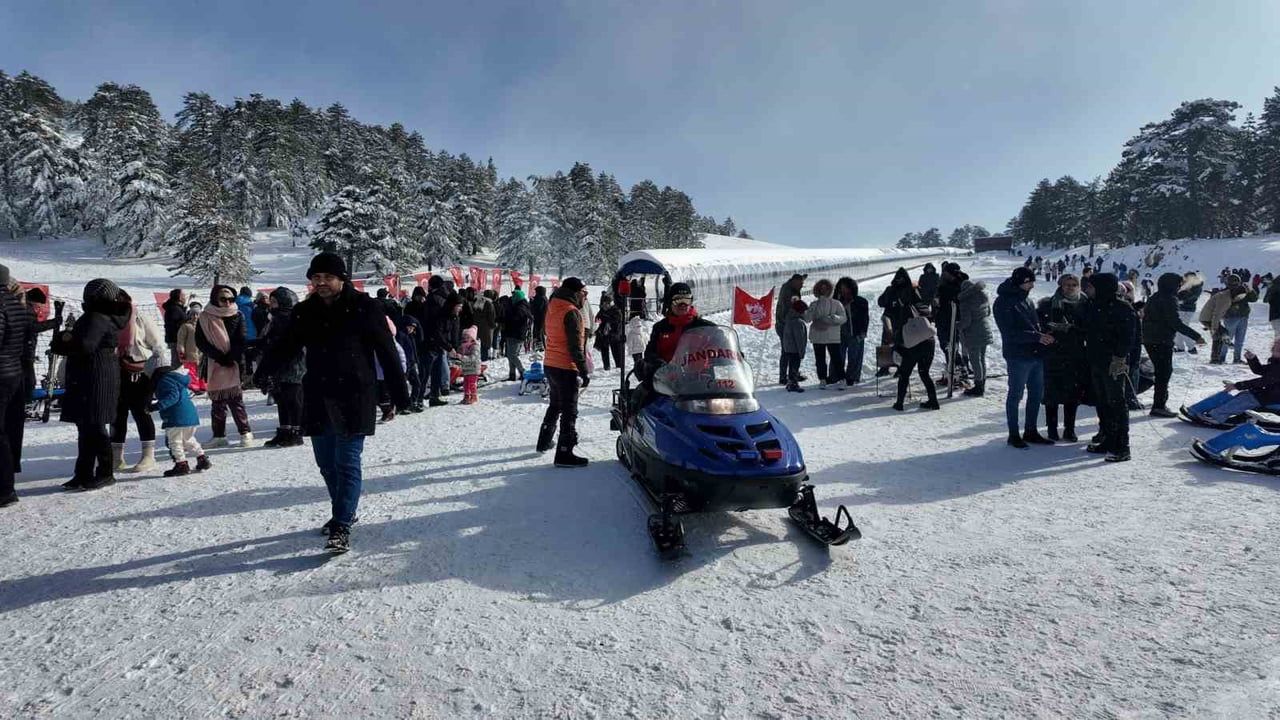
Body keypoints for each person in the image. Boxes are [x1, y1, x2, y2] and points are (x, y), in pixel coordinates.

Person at [254, 252, 409, 554]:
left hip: (355, 395)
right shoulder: (305, 311)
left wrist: (398, 395)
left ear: (342, 279)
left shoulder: (365, 307)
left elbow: (387, 351)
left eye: (327, 277)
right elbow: (286, 346)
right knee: (326, 464)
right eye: (316, 278)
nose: (321, 283)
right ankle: (344, 510)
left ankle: (341, 524)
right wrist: (263, 371)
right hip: (318, 394)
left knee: (347, 462)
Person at [51, 279, 130, 491]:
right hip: (96, 374)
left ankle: (105, 472)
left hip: (94, 376)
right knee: (86, 426)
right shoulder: (103, 315)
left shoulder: (97, 316)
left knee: (93, 426)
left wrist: (66, 339)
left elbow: (85, 345)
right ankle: (83, 472)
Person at [994, 267, 1055, 447]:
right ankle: (1013, 434)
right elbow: (1009, 332)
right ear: (1020, 282)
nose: (1032, 286)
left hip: (1035, 353)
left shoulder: (1025, 299)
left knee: (1037, 394)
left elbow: (1032, 324)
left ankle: (1031, 430)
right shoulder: (1003, 302)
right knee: (1016, 394)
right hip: (1017, 356)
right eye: (1029, 282)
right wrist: (1036, 336)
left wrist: (1045, 330)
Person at [1082, 273, 1136, 462]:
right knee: (1102, 402)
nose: (1088, 290)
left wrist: (1120, 358)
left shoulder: (1123, 308)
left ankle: (1122, 446)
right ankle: (1107, 438)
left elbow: (1128, 337)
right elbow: (1088, 329)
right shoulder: (1094, 305)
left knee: (1117, 403)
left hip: (1113, 363)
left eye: (1091, 287)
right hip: (1096, 361)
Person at [537, 277, 591, 468]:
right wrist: (584, 371)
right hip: (565, 366)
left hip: (550, 362)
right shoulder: (572, 312)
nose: (585, 298)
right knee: (569, 410)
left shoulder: (553, 304)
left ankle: (544, 440)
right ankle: (564, 452)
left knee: (555, 404)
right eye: (584, 294)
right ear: (576, 293)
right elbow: (575, 346)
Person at [111, 290, 167, 473]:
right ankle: (116, 457)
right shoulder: (107, 319)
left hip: (140, 371)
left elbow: (157, 345)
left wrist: (156, 371)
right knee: (117, 415)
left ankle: (148, 455)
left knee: (141, 412)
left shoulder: (139, 317)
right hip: (115, 370)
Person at [197, 286, 255, 448]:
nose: (227, 302)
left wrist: (231, 357)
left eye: (231, 299)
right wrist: (219, 356)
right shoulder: (205, 316)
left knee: (235, 400)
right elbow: (201, 341)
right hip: (214, 363)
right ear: (215, 298)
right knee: (217, 402)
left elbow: (241, 338)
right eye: (223, 299)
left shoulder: (238, 314)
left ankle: (245, 432)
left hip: (234, 362)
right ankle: (219, 435)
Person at [1143, 272, 1205, 418]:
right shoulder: (1169, 299)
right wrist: (1196, 336)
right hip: (1162, 340)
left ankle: (1159, 403)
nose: (1179, 287)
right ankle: (1159, 406)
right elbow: (1175, 322)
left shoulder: (1155, 297)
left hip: (1149, 338)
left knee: (1161, 372)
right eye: (1178, 285)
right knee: (1164, 373)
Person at [1036, 274, 1089, 441]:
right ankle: (1052, 428)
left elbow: (1090, 328)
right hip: (1054, 354)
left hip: (1076, 355)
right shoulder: (1048, 304)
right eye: (1067, 284)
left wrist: (1072, 329)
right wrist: (1049, 329)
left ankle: (1069, 429)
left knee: (1072, 394)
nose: (1071, 287)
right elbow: (1039, 325)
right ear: (1060, 285)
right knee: (1052, 393)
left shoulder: (1085, 304)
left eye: (1074, 284)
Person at [879, 268, 939, 411]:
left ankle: (899, 403)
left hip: (909, 341)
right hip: (927, 339)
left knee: (904, 373)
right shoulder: (917, 297)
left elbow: (881, 303)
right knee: (924, 373)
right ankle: (933, 401)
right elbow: (929, 314)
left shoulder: (897, 304)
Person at [0, 268, 34, 507]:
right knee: (7, 429)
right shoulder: (16, 303)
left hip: (1, 373)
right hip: (13, 372)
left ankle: (4, 489)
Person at [1185, 339, 1280, 424]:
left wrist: (1237, 385)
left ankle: (1216, 417)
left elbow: (1264, 381)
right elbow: (1260, 370)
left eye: (1276, 349)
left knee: (1245, 400)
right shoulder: (1276, 362)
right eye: (1273, 348)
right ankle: (1197, 410)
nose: (1272, 351)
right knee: (1241, 396)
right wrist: (1252, 359)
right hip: (1266, 394)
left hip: (1273, 397)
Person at [258, 287, 307, 447]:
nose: (271, 305)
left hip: (292, 365)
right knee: (282, 399)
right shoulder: (276, 318)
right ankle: (285, 430)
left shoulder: (288, 318)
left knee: (292, 399)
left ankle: (295, 431)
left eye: (274, 302)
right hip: (280, 364)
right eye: (271, 302)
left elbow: (286, 344)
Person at [149, 364, 211, 476]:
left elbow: (173, 397)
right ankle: (202, 458)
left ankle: (181, 464)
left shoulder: (165, 381)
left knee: (175, 442)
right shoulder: (177, 380)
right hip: (190, 416)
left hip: (176, 417)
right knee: (188, 439)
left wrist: (156, 406)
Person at [804, 279, 847, 390]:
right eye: (821, 288)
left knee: (836, 358)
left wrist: (832, 318)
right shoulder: (814, 304)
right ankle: (822, 379)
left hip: (832, 336)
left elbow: (843, 318)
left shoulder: (836, 304)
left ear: (830, 290)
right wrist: (810, 311)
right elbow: (807, 319)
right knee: (820, 359)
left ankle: (842, 379)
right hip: (818, 336)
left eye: (825, 288)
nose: (823, 290)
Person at [956, 276, 993, 397]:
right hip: (985, 329)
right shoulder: (983, 296)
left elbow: (966, 322)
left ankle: (978, 387)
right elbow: (988, 312)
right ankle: (982, 383)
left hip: (973, 333)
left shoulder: (965, 301)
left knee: (975, 360)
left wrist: (957, 325)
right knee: (981, 359)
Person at [420, 275, 453, 406]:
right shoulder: (444, 297)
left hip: (432, 338)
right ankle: (435, 395)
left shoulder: (433, 299)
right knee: (437, 369)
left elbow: (433, 322)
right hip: (441, 337)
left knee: (426, 370)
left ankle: (419, 399)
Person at [834, 277, 869, 386]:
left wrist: (863, 332)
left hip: (856, 333)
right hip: (839, 333)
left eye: (846, 288)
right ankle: (836, 376)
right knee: (838, 356)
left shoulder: (861, 302)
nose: (844, 291)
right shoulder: (836, 302)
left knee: (855, 356)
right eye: (841, 288)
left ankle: (852, 377)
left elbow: (865, 319)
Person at [775, 273, 807, 384]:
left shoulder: (791, 287)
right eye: (801, 283)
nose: (802, 286)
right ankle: (784, 377)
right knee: (787, 350)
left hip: (787, 324)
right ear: (794, 281)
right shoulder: (788, 292)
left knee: (790, 350)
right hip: (785, 325)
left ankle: (792, 374)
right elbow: (789, 309)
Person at [1221, 274, 1259, 364]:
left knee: (1230, 339)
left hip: (1236, 318)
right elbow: (1254, 298)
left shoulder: (1226, 291)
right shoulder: (1230, 291)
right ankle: (1233, 358)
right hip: (1236, 317)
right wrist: (1250, 290)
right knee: (1237, 340)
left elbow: (1254, 299)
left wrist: (1249, 290)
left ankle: (1224, 358)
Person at [1200, 283, 1233, 365]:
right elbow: (1216, 314)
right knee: (1219, 334)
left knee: (1218, 336)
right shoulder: (1224, 298)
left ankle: (1215, 358)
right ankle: (1215, 357)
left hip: (1208, 318)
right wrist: (1214, 327)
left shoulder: (1223, 296)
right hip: (1208, 319)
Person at [504, 288, 533, 381]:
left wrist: (508, 311)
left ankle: (522, 371)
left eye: (514, 296)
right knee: (510, 355)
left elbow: (515, 319)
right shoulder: (518, 305)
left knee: (512, 355)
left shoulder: (521, 307)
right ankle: (512, 374)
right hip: (512, 333)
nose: (512, 298)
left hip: (516, 334)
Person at [781, 297, 809, 392]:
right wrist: (801, 352)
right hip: (795, 349)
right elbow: (799, 339)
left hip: (788, 347)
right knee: (794, 366)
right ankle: (793, 383)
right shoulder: (798, 323)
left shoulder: (789, 319)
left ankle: (791, 381)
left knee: (792, 364)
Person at [593, 294, 627, 372]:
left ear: (610, 303)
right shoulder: (602, 310)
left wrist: (606, 319)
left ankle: (619, 366)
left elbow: (617, 320)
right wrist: (600, 320)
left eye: (607, 303)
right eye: (604, 303)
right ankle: (606, 366)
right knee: (604, 351)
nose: (605, 305)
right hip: (604, 335)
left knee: (616, 351)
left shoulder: (616, 310)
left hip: (614, 334)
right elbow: (597, 319)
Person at [1175, 272, 1204, 353]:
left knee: (1183, 328)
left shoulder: (1196, 286)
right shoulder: (1185, 285)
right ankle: (1180, 347)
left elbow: (1189, 297)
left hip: (1187, 309)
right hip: (1181, 308)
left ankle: (1191, 347)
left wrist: (1180, 299)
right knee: (1178, 328)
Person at [161, 289, 188, 367]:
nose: (185, 298)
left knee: (178, 362)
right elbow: (174, 325)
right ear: (179, 297)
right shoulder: (174, 309)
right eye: (184, 296)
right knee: (177, 364)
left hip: (177, 340)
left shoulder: (176, 308)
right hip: (177, 340)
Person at [468, 288, 496, 361]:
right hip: (486, 327)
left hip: (476, 326)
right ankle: (484, 359)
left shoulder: (478, 301)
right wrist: (493, 325)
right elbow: (491, 316)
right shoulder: (489, 304)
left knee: (477, 344)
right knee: (485, 344)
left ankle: (477, 358)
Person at [459, 326, 482, 404]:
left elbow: (473, 358)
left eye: (468, 336)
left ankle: (474, 396)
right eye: (464, 336)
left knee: (472, 383)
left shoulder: (475, 346)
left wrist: (462, 357)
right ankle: (466, 396)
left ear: (472, 338)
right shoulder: (464, 346)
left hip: (473, 368)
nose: (465, 338)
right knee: (465, 384)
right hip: (466, 369)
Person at [530, 285, 549, 351]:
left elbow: (536, 309)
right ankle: (542, 346)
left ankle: (540, 347)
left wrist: (532, 302)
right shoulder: (545, 298)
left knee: (538, 332)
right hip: (543, 318)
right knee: (540, 333)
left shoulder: (539, 298)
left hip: (539, 318)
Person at [1265, 275, 1280, 340]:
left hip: (1274, 316)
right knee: (1278, 337)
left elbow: (1265, 300)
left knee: (1278, 337)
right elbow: (1266, 300)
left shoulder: (1272, 288)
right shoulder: (1273, 288)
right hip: (1276, 316)